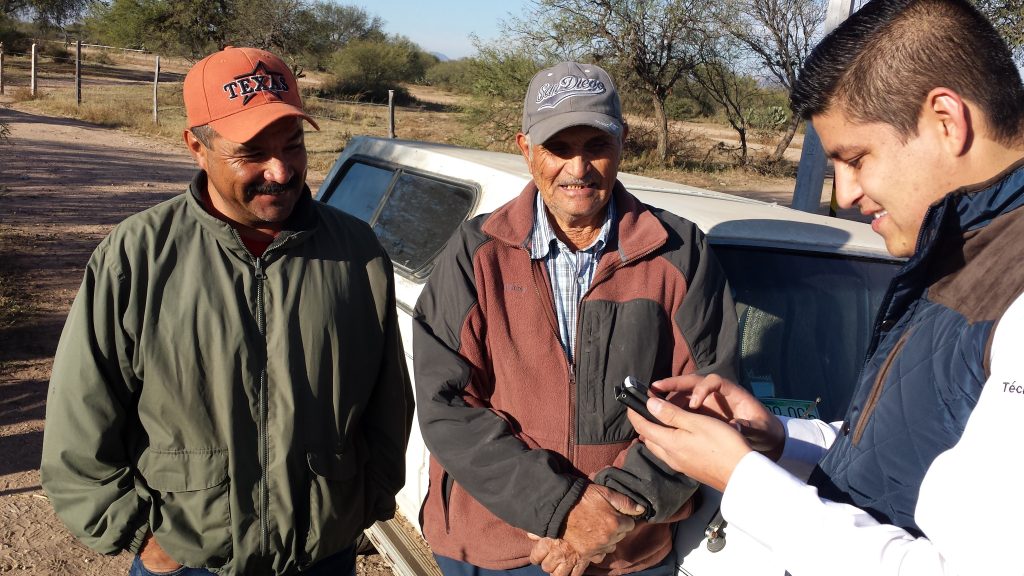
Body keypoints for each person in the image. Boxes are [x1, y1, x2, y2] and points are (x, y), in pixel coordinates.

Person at [627, 1, 1024, 574]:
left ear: (946, 120)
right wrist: (778, 439)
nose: (846, 195)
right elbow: (910, 455)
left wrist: (742, 479)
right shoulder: (956, 252)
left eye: (857, 158)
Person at [40, 46, 413, 576]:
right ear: (197, 145)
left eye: (294, 144)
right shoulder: (137, 254)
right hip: (187, 559)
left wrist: (362, 506)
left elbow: (389, 402)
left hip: (322, 557)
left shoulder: (356, 250)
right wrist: (140, 534)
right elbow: (82, 411)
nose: (281, 172)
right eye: (252, 152)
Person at [412, 61, 739, 576]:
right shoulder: (476, 253)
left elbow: (706, 398)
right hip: (496, 543)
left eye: (596, 146)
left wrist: (613, 511)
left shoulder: (679, 253)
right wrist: (562, 507)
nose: (578, 168)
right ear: (525, 149)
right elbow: (446, 403)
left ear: (623, 143)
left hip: (627, 548)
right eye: (559, 148)